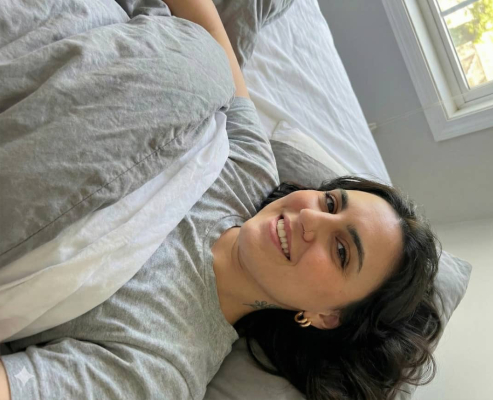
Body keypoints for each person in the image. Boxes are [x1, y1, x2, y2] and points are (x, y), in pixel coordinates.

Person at [0, 1, 443, 399]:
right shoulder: (252, 167)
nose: (311, 218)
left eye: (341, 250)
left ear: (326, 316)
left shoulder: (162, 365)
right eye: (331, 203)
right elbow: (208, 33)